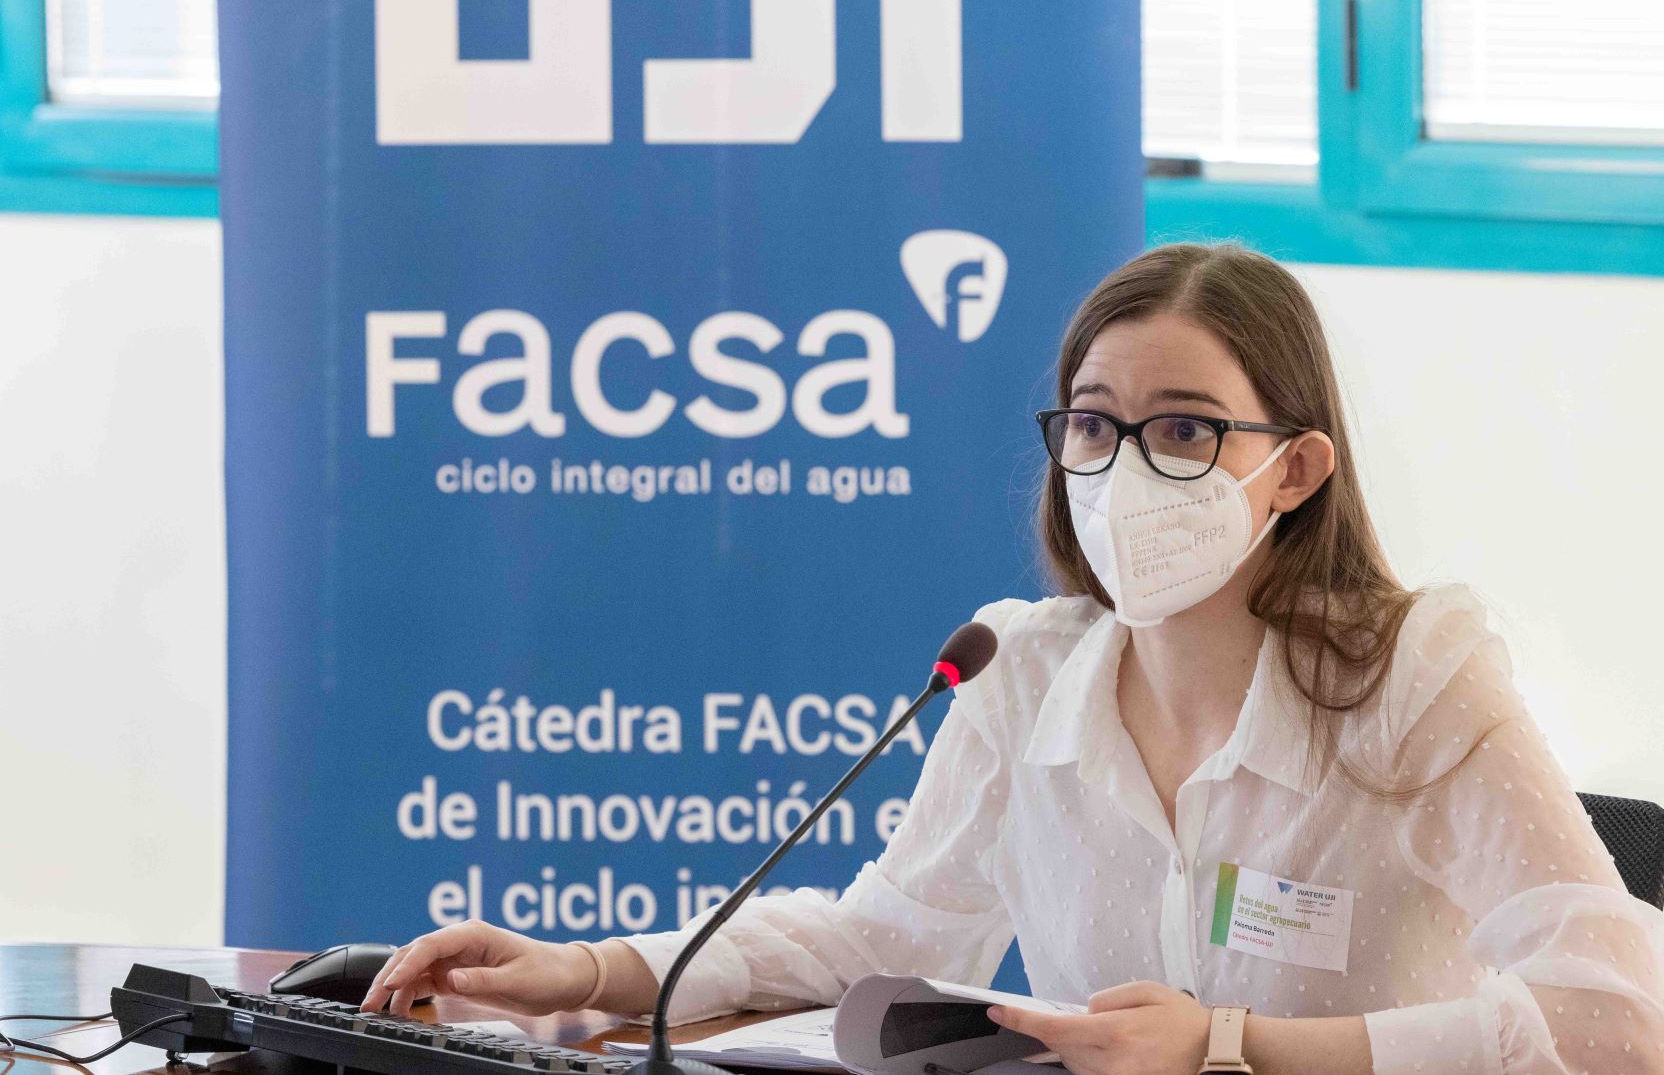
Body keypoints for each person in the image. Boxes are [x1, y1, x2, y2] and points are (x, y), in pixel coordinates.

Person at [361, 243, 1664, 1075]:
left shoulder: (1416, 677)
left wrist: (1235, 1047)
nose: (1126, 470)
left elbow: (1620, 1017)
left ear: (1295, 469)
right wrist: (590, 969)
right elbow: (880, 933)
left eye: (1186, 431)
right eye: (1096, 426)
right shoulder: (1022, 671)